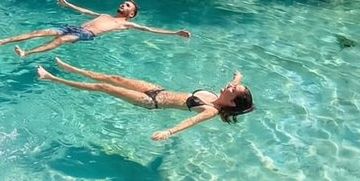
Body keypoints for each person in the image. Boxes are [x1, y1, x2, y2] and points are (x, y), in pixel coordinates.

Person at [35, 58, 254, 140]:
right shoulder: (218, 96)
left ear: (232, 102)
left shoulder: (211, 110)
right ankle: (69, 67)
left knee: (103, 87)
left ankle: (52, 78)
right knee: (115, 77)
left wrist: (168, 132)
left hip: (151, 102)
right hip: (158, 89)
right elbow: (233, 83)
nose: (230, 86)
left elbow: (189, 122)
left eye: (233, 89)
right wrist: (238, 77)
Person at [0, 0, 190, 57]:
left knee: (60, 41)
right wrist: (67, 5)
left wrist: (175, 33)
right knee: (39, 31)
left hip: (86, 34)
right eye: (123, 3)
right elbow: (84, 11)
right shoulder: (105, 14)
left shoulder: (125, 24)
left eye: (127, 6)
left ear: (131, 14)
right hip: (73, 26)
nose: (123, 5)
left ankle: (26, 53)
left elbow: (149, 30)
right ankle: (0, 41)